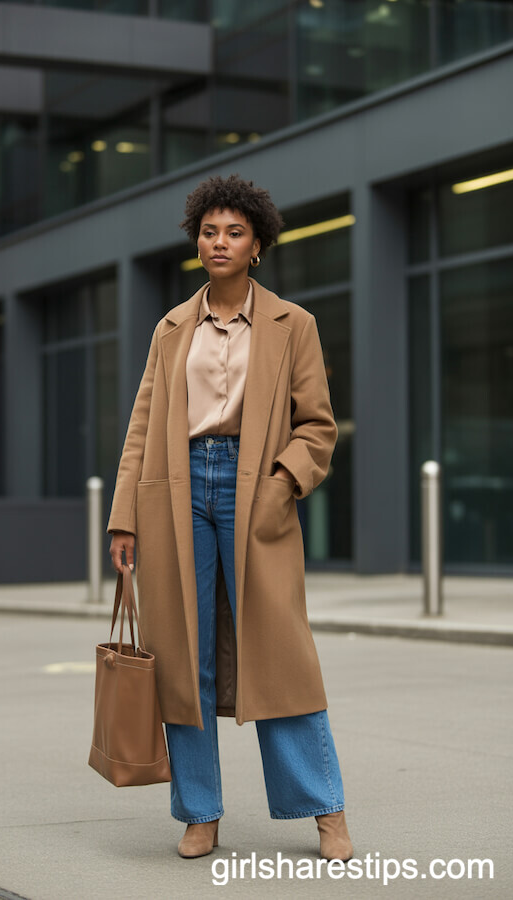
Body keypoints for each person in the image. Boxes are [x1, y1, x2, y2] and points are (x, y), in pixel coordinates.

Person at [108, 173, 353, 861]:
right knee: (183, 658)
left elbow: (318, 428)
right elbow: (143, 423)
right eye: (209, 231)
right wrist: (125, 515)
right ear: (198, 241)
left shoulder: (291, 324)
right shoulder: (171, 327)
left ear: (256, 246)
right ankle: (199, 812)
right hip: (176, 493)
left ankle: (325, 809)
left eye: (234, 232)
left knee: (282, 656)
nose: (220, 242)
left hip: (256, 492)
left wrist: (283, 481)